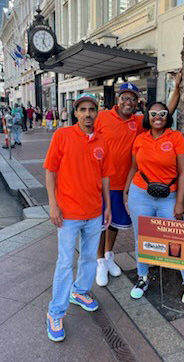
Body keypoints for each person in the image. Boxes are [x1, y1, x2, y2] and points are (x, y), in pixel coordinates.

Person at [123, 102, 184, 312]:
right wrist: (126, 193)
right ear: (148, 116)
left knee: (179, 239)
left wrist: (179, 201)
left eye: (162, 113)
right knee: (141, 238)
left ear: (167, 116)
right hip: (140, 194)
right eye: (153, 114)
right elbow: (134, 167)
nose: (158, 117)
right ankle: (142, 278)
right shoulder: (140, 139)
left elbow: (183, 172)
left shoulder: (176, 138)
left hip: (168, 196)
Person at [95, 76, 181, 287]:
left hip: (124, 183)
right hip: (102, 182)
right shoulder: (103, 117)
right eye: (125, 98)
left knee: (113, 224)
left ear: (137, 102)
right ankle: (99, 262)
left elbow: (164, 113)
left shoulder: (139, 122)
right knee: (100, 225)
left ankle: (108, 256)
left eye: (132, 100)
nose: (128, 103)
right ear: (118, 99)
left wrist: (177, 89)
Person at [44, 93, 115, 342]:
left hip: (94, 212)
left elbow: (105, 177)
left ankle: (80, 291)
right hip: (69, 214)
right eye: (82, 109)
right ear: (75, 113)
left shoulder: (102, 141)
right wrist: (53, 205)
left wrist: (107, 206)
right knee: (65, 263)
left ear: (97, 113)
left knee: (88, 258)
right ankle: (55, 312)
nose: (87, 114)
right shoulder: (62, 136)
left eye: (92, 109)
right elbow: (51, 172)